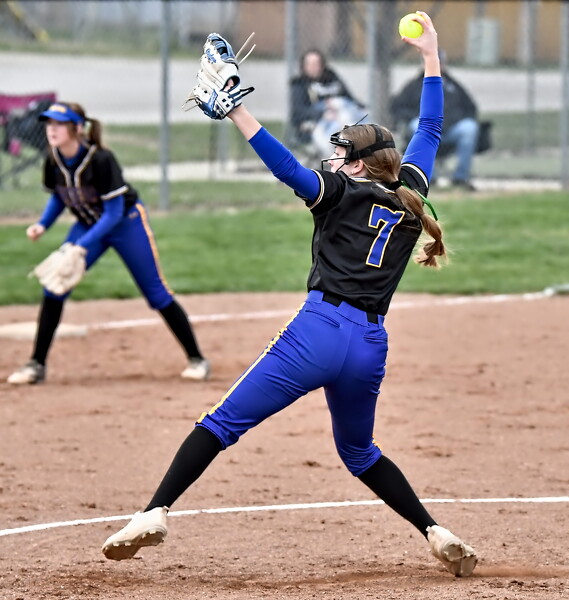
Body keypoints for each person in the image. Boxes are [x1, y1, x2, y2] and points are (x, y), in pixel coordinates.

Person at [102, 14, 478, 577]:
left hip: (317, 334)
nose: (332, 158)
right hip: (369, 345)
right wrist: (431, 56)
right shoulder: (411, 193)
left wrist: (237, 110)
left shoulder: (339, 191)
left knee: (219, 424)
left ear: (357, 164)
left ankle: (153, 512)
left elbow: (284, 167)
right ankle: (434, 530)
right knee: (359, 452)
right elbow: (431, 126)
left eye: (341, 153)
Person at [6, 102, 210, 385]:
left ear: (78, 128)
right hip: (88, 224)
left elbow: (113, 213)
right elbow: (60, 195)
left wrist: (81, 245)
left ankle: (197, 359)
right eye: (49, 123)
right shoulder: (53, 159)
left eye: (60, 124)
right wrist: (43, 224)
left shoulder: (101, 159)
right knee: (55, 286)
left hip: (126, 224)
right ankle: (36, 365)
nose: (52, 129)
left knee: (156, 293)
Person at [390, 50, 480, 191]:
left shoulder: (453, 85)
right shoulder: (414, 86)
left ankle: (461, 178)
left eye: (439, 62)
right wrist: (413, 118)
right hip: (426, 131)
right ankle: (430, 177)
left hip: (451, 129)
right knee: (415, 125)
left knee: (469, 128)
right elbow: (398, 107)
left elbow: (470, 107)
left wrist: (455, 119)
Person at [289, 48, 365, 161]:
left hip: (343, 115)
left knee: (356, 117)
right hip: (319, 122)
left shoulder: (331, 78)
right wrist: (322, 113)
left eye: (317, 63)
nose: (314, 67)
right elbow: (298, 112)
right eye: (310, 64)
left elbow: (348, 98)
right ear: (303, 66)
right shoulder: (300, 84)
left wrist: (361, 108)